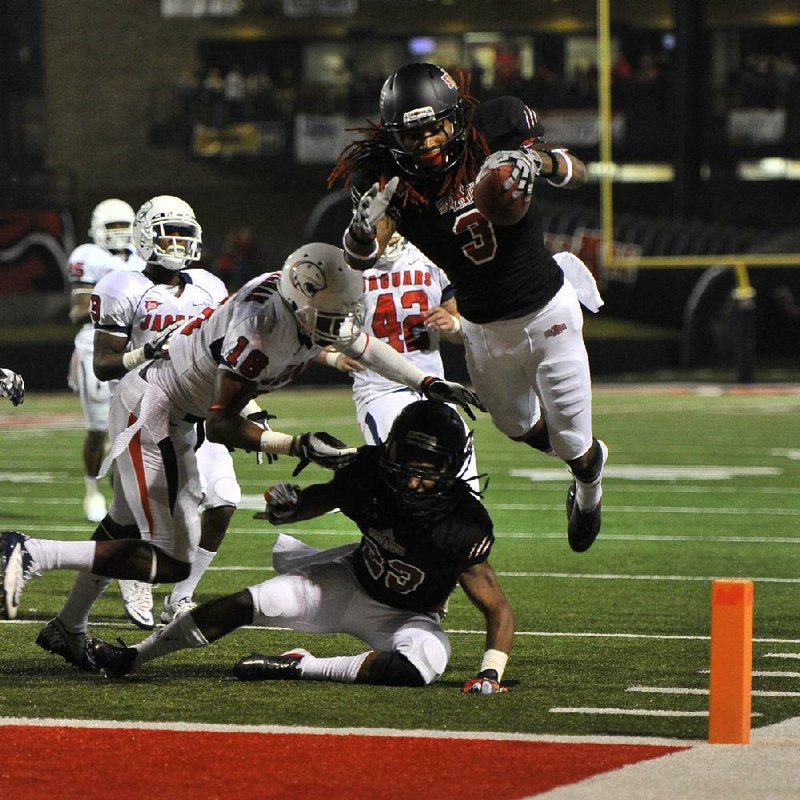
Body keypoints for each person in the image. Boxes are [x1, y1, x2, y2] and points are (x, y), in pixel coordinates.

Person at [0, 243, 483, 670]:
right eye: (329, 316)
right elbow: (222, 423)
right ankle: (28, 550)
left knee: (123, 528)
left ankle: (68, 626)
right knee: (171, 561)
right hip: (155, 410)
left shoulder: (300, 302)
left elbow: (363, 342)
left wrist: (426, 381)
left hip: (174, 411)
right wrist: (296, 444)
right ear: (298, 300)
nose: (338, 326)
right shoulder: (261, 334)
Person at [330, 62, 608, 552]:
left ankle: (588, 486)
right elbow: (365, 254)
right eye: (415, 134)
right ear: (395, 135)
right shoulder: (386, 177)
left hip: (548, 311)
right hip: (481, 325)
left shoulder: (495, 131)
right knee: (515, 425)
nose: (431, 140)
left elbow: (578, 169)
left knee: (571, 444)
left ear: (457, 116)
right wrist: (357, 229)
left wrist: (537, 163)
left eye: (438, 125)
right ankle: (583, 457)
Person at [90, 400, 514, 694]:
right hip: (348, 582)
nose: (411, 480)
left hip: (408, 615)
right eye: (406, 463)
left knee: (419, 667)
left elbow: (497, 608)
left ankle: (300, 665)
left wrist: (491, 673)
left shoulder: (462, 524)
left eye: (426, 471)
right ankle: (132, 656)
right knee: (248, 603)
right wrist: (287, 507)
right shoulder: (369, 473)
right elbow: (320, 500)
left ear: (451, 467)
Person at [77, 195, 237, 631]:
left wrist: (251, 408)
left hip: (198, 412)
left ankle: (180, 599)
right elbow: (104, 365)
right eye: (170, 233)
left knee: (223, 501)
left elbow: (226, 356)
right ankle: (89, 605)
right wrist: (146, 350)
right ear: (147, 235)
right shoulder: (120, 286)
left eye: (186, 234)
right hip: (145, 411)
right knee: (129, 523)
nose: (179, 243)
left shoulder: (210, 285)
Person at [321, 232, 479, 489]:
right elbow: (314, 329)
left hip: (434, 388)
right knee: (401, 483)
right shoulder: (345, 269)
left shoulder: (430, 258)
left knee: (464, 484)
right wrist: (333, 358)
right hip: (381, 390)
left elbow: (465, 330)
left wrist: (452, 325)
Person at [66, 199, 143, 525]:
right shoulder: (89, 256)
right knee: (98, 430)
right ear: (98, 229)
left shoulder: (143, 256)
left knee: (133, 429)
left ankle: (123, 498)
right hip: (96, 346)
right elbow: (77, 312)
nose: (119, 234)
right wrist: (115, 301)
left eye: (123, 226)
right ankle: (92, 489)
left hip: (134, 348)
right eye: (112, 227)